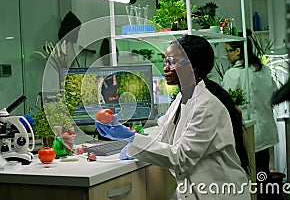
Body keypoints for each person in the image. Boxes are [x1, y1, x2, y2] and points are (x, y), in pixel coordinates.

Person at [95, 35, 250, 200]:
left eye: (172, 62)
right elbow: (163, 134)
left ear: (193, 67)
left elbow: (182, 157)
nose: (166, 68)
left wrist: (132, 139)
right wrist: (133, 140)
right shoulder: (182, 97)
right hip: (195, 189)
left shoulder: (206, 105)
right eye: (165, 61)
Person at [222, 31, 279, 197]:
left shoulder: (232, 74)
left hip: (249, 133)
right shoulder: (264, 70)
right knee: (263, 172)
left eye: (228, 51)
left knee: (250, 177)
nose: (226, 55)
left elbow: (228, 106)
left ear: (238, 51)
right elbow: (274, 96)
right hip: (266, 131)